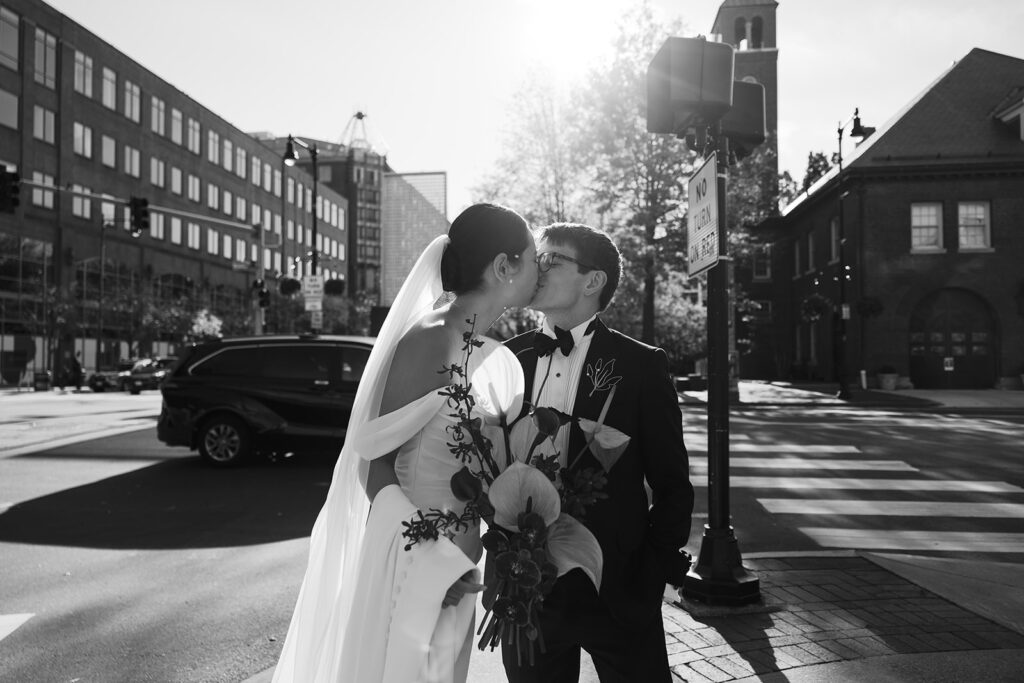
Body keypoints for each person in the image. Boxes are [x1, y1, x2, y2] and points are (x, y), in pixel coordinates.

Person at [272, 203, 538, 683]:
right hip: (415, 568)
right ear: (504, 266)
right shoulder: (431, 340)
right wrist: (435, 566)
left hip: (462, 567)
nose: (540, 269)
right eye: (534, 258)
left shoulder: (498, 358)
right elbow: (373, 468)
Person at [502, 223, 694, 683]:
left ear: (593, 281)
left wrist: (649, 576)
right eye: (538, 258)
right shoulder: (506, 360)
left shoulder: (641, 365)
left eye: (552, 259)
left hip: (619, 591)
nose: (538, 268)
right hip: (528, 592)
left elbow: (672, 482)